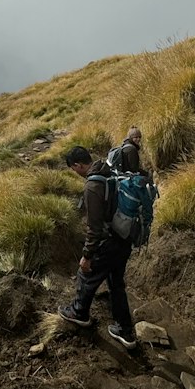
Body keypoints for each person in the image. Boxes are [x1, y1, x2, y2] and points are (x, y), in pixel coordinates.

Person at [58, 145, 138, 350]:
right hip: (124, 238)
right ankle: (126, 331)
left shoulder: (93, 186)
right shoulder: (109, 169)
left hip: (109, 241)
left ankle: (79, 313)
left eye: (73, 168)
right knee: (116, 283)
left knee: (86, 275)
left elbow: (94, 229)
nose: (74, 172)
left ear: (78, 165)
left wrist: (87, 255)